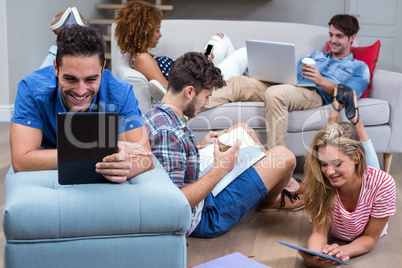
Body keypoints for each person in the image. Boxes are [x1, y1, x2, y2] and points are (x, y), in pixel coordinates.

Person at [143, 52, 304, 238]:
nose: (207, 103)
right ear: (189, 92)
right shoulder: (168, 134)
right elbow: (177, 203)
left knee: (243, 129)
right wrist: (221, 168)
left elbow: (170, 167)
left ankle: (279, 184)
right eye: (206, 97)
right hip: (203, 216)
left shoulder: (154, 116)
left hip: (201, 189)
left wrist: (199, 148)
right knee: (285, 157)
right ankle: (272, 199)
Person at [200, 14, 370, 151]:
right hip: (291, 85)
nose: (333, 40)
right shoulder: (316, 55)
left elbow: (349, 95)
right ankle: (185, 109)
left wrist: (321, 81)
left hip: (314, 93)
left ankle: (276, 159)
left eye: (339, 36)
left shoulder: (358, 67)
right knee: (239, 82)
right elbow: (291, 73)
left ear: (352, 37)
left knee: (275, 93)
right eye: (331, 35)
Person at [11, 25, 154, 183]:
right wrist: (106, 150)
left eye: (91, 79)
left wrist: (129, 166)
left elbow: (145, 157)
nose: (80, 91)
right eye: (70, 79)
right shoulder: (31, 89)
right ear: (56, 68)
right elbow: (21, 161)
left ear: (102, 69)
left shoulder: (120, 92)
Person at [299, 121, 396, 267]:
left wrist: (340, 252)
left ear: (356, 156)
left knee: (374, 176)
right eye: (324, 164)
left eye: (337, 163)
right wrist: (313, 257)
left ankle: (358, 120)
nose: (329, 172)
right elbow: (319, 233)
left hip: (366, 231)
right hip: (335, 232)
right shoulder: (321, 181)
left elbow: (369, 238)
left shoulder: (384, 184)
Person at [113, 0, 247, 100]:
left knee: (220, 39)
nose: (160, 35)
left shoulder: (143, 55)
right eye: (157, 30)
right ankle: (250, 80)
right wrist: (200, 68)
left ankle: (243, 76)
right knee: (243, 53)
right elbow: (169, 90)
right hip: (201, 80)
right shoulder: (142, 59)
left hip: (197, 71)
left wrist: (199, 60)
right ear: (145, 32)